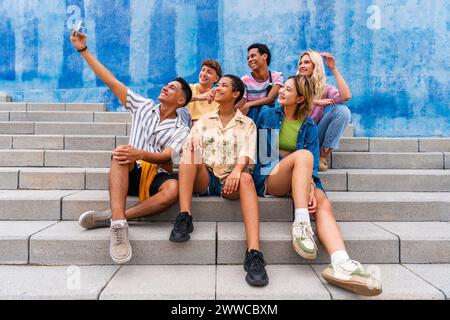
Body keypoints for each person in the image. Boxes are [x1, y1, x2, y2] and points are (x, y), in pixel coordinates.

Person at [70, 28, 192, 264]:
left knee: (173, 189)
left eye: (172, 88)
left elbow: (168, 156)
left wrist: (142, 154)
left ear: (181, 101)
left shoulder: (182, 129)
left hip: (154, 174)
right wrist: (83, 50)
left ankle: (117, 216)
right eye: (166, 85)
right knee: (120, 155)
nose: (165, 87)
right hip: (130, 170)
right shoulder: (142, 105)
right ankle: (118, 227)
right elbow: (110, 80)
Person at [253, 75, 382, 296]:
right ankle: (301, 224)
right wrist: (294, 162)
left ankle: (341, 262)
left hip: (299, 175)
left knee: (322, 201)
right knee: (302, 156)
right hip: (272, 178)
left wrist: (310, 185)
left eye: (288, 90)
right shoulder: (268, 115)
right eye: (282, 88)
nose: (281, 92)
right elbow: (266, 158)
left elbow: (311, 164)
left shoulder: (309, 125)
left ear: (301, 98)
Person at [172, 74, 269, 287]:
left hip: (230, 182)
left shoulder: (248, 123)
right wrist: (191, 147)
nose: (217, 88)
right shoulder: (204, 120)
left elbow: (248, 152)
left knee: (245, 179)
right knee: (189, 151)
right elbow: (188, 150)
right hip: (205, 178)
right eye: (217, 85)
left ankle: (254, 253)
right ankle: (184, 217)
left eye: (223, 85)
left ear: (236, 94)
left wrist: (236, 171)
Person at [298, 50, 352, 171]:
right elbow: (290, 103)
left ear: (315, 66)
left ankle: (323, 156)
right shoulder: (293, 84)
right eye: (300, 63)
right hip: (296, 135)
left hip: (315, 134)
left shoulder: (324, 89)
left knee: (342, 111)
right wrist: (316, 102)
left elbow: (346, 96)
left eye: (306, 62)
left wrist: (333, 69)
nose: (302, 65)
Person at [237, 43, 284, 122]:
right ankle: (254, 133)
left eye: (253, 56)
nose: (250, 60)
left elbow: (270, 99)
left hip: (269, 119)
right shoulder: (244, 80)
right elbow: (242, 105)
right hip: (252, 117)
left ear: (264, 56)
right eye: (248, 58)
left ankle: (267, 134)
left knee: (265, 109)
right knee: (254, 111)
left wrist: (249, 104)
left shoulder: (277, 76)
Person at [186, 59, 222, 124]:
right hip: (186, 126)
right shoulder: (189, 88)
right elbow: (176, 101)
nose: (204, 74)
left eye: (209, 72)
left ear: (216, 79)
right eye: (203, 70)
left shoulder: (217, 97)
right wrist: (200, 97)